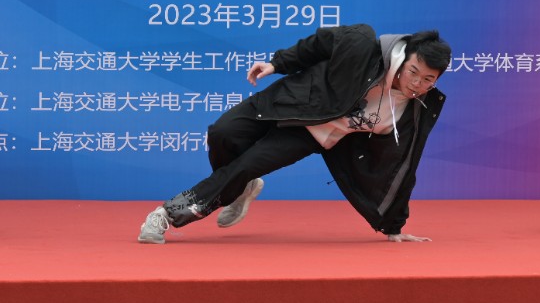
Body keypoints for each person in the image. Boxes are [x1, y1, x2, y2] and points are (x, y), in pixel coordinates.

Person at [137, 25, 451, 244]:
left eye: (428, 79)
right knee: (222, 133)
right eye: (413, 72)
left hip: (310, 135)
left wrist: (394, 227)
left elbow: (402, 166)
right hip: (291, 99)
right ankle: (239, 189)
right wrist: (277, 64)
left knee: (247, 165)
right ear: (404, 57)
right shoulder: (361, 44)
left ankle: (166, 214)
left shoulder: (414, 111)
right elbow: (316, 45)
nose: (417, 84)